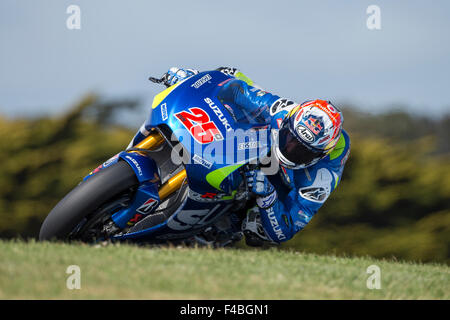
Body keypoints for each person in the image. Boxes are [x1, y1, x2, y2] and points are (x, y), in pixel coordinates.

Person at [133, 67, 351, 246]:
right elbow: (237, 86)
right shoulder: (283, 111)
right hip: (255, 148)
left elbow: (289, 227)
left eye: (301, 150)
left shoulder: (324, 171)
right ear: (288, 122)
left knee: (257, 229)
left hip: (279, 185)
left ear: (320, 153)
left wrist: (268, 197)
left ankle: (219, 226)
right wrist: (192, 79)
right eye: (289, 138)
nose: (291, 147)